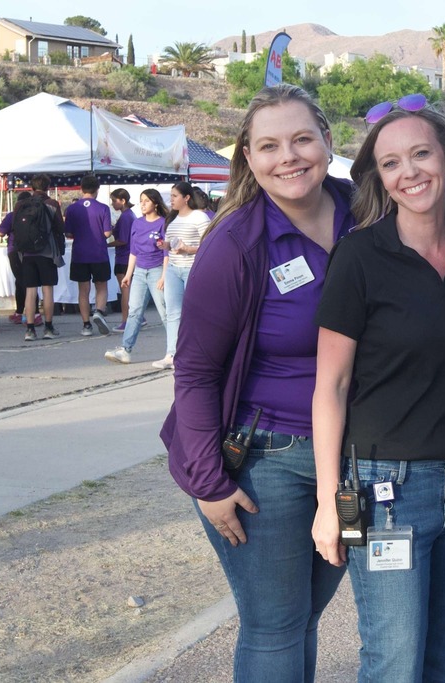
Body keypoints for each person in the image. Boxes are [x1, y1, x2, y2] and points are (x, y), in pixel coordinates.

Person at [311, 98, 445, 683]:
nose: (409, 172)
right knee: (394, 664)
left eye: (421, 154)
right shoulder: (359, 257)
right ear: (379, 177)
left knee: (439, 661)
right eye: (391, 163)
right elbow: (330, 386)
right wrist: (329, 502)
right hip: (387, 493)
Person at [159, 84, 355, 682]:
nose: (288, 157)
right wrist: (208, 482)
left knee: (302, 620)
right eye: (269, 146)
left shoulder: (365, 212)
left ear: (327, 141)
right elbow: (194, 371)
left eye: (302, 139)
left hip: (351, 455)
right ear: (248, 156)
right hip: (265, 459)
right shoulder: (236, 242)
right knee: (275, 625)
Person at [104, 190, 169, 365]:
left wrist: (163, 276)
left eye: (147, 201)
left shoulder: (163, 223)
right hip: (139, 271)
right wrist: (128, 274)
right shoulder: (137, 223)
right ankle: (125, 349)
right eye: (141, 201)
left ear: (155, 203)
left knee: (165, 312)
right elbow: (134, 250)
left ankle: (174, 351)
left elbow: (166, 253)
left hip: (156, 270)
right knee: (134, 311)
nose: (143, 204)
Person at [156, 181, 209, 370]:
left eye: (175, 196)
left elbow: (210, 245)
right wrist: (165, 245)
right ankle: (171, 354)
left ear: (186, 198)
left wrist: (188, 249)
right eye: (170, 196)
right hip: (173, 269)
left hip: (192, 269)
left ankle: (197, 354)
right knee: (173, 313)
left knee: (194, 313)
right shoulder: (172, 219)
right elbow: (171, 244)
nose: (171, 200)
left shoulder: (199, 217)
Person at [64, 174, 113, 337]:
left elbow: (69, 233)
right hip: (99, 253)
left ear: (81, 188)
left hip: (79, 254)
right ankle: (99, 311)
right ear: (97, 189)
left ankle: (86, 325)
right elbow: (107, 233)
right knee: (101, 286)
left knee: (83, 290)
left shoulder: (71, 208)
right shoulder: (103, 208)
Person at [13, 189, 64, 342]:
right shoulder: (52, 204)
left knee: (30, 291)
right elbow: (60, 228)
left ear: (33, 189)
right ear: (47, 187)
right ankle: (48, 327)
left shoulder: (21, 205)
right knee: (47, 290)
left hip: (27, 253)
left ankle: (30, 329)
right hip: (47, 253)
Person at [0, 191, 41, 327]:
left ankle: (32, 313)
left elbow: (0, 232)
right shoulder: (36, 214)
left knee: (23, 281)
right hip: (32, 250)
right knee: (27, 281)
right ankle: (22, 311)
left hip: (15, 250)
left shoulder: (12, 215)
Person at [109, 188, 135, 331]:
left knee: (125, 290)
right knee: (128, 289)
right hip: (127, 256)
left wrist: (107, 244)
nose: (112, 204)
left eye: (114, 200)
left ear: (123, 201)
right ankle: (135, 317)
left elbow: (123, 240)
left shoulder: (125, 217)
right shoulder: (129, 215)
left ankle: (126, 320)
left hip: (123, 257)